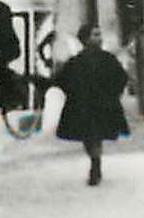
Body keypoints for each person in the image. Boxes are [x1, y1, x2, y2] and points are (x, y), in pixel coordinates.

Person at [50, 23, 128, 185]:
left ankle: (95, 163)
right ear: (85, 39)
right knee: (93, 137)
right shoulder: (80, 61)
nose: (99, 38)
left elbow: (121, 78)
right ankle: (95, 161)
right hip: (90, 106)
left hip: (93, 106)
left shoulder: (105, 59)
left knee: (92, 137)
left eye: (99, 35)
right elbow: (62, 80)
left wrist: (113, 93)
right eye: (95, 35)